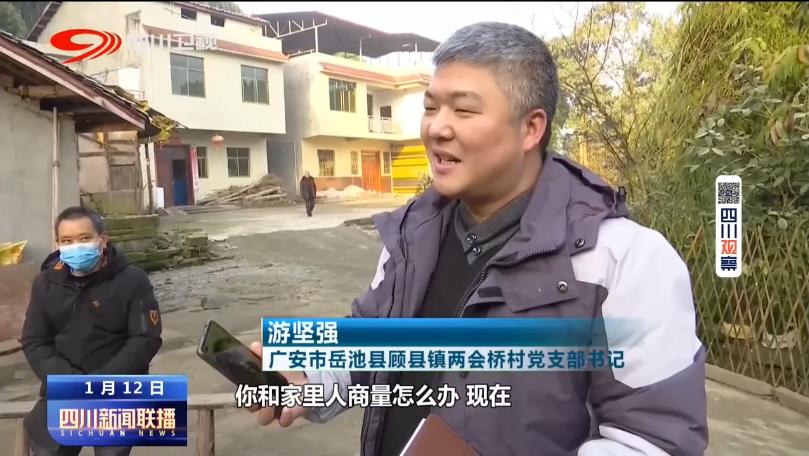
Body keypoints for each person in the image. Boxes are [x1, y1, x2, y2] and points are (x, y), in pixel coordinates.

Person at [249, 22, 708, 456]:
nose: (437, 127)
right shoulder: (411, 236)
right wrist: (305, 377)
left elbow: (652, 440)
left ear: (531, 128)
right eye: (431, 107)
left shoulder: (622, 261)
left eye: (463, 110)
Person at [21, 207, 163, 456]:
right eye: (67, 241)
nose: (76, 246)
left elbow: (145, 339)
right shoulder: (45, 284)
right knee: (48, 449)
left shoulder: (133, 280)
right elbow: (35, 341)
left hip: (116, 390)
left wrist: (99, 384)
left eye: (84, 238)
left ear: (102, 239)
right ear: (58, 244)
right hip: (64, 389)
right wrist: (71, 383)